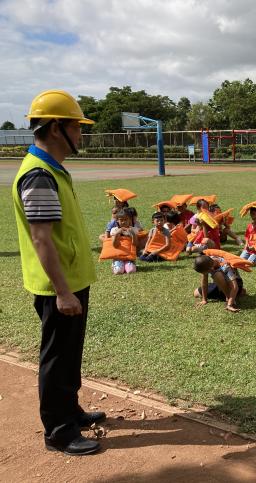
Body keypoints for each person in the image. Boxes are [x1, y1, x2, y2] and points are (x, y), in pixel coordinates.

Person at [12, 89, 103, 455]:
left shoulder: (51, 170)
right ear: (55, 128)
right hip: (58, 287)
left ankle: (71, 411)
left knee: (69, 353)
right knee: (57, 356)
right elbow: (42, 239)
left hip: (70, 281)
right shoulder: (39, 175)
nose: (80, 134)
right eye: (76, 126)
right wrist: (63, 291)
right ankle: (59, 430)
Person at [110, 209, 138, 274]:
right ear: (117, 220)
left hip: (129, 257)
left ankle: (130, 264)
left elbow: (135, 244)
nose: (123, 222)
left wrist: (132, 234)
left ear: (129, 220)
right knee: (118, 271)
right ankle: (115, 263)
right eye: (121, 220)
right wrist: (117, 234)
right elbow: (115, 246)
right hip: (118, 257)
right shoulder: (114, 230)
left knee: (131, 271)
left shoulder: (134, 230)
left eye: (126, 220)